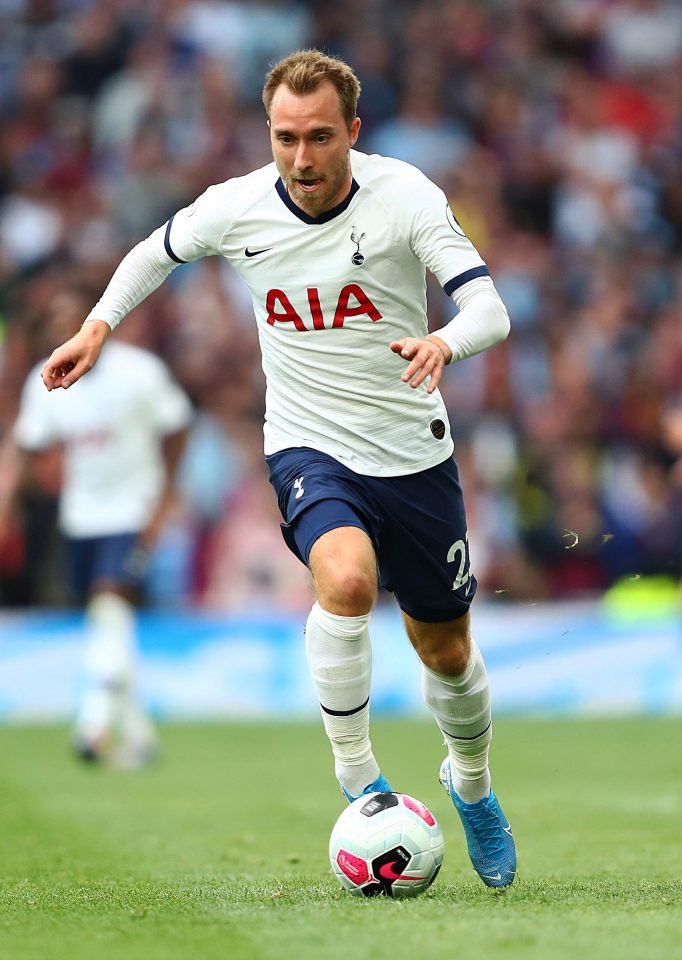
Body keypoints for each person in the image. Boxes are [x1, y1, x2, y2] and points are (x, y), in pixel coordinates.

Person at [40, 50, 516, 885]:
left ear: (352, 133)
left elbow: (490, 305)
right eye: (285, 139)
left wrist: (445, 339)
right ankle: (361, 782)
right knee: (346, 580)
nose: (301, 159)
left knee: (444, 648)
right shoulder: (238, 205)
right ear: (270, 134)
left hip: (413, 454)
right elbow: (155, 251)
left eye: (320, 138)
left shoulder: (406, 196)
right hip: (308, 444)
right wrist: (98, 327)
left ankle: (471, 784)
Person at [1, 285, 192, 767]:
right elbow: (24, 446)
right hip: (81, 516)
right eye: (53, 322)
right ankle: (140, 736)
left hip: (132, 511)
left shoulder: (139, 373)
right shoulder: (45, 381)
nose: (60, 330)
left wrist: (164, 498)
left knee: (110, 606)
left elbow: (178, 427)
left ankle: (92, 723)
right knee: (109, 621)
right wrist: (5, 504)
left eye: (71, 319)